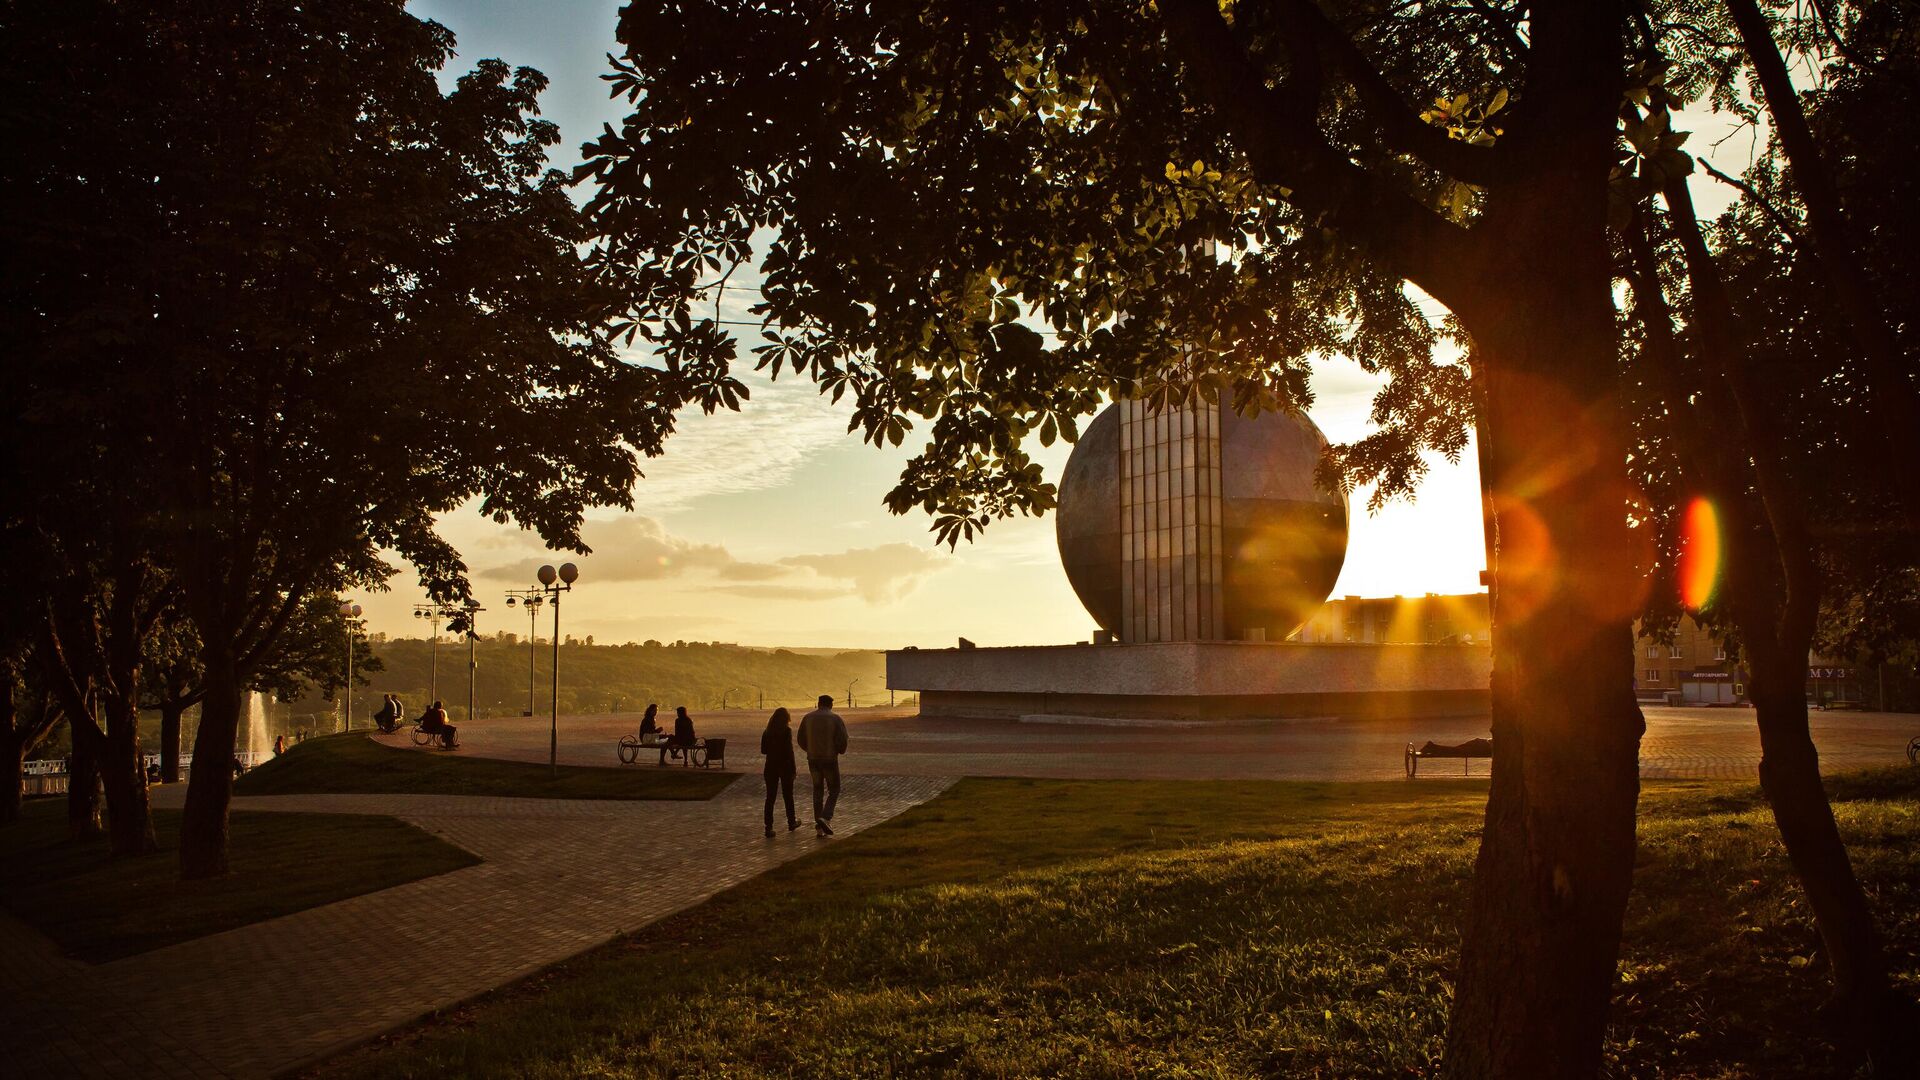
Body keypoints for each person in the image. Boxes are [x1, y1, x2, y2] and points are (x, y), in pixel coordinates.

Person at [797, 694, 848, 836]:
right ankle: (825, 817)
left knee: (817, 790)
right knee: (834, 789)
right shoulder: (835, 719)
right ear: (830, 705)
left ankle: (819, 827)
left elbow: (800, 738)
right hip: (829, 759)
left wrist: (810, 749)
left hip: (813, 760)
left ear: (818, 703)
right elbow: (842, 739)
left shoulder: (808, 718)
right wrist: (838, 750)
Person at [760, 708, 800, 837]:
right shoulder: (786, 731)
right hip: (785, 767)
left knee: (770, 798)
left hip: (770, 767)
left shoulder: (767, 732)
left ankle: (768, 827)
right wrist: (793, 768)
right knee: (788, 796)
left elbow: (763, 750)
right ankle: (791, 821)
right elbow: (789, 751)